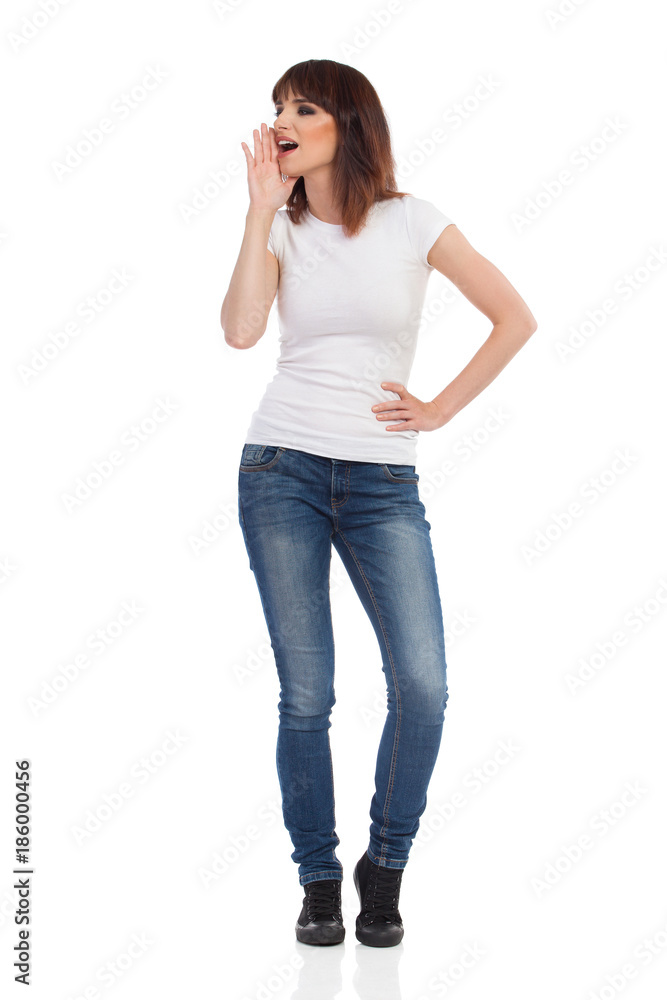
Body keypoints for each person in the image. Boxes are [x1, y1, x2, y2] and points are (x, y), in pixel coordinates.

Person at [221, 59, 537, 949]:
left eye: (303, 107)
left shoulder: (412, 220)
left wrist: (438, 408)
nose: (281, 121)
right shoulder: (279, 226)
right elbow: (241, 332)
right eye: (276, 108)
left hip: (380, 481)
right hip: (279, 468)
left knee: (423, 686)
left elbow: (514, 317)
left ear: (348, 124)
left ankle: (383, 866)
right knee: (306, 694)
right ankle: (319, 880)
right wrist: (256, 212)